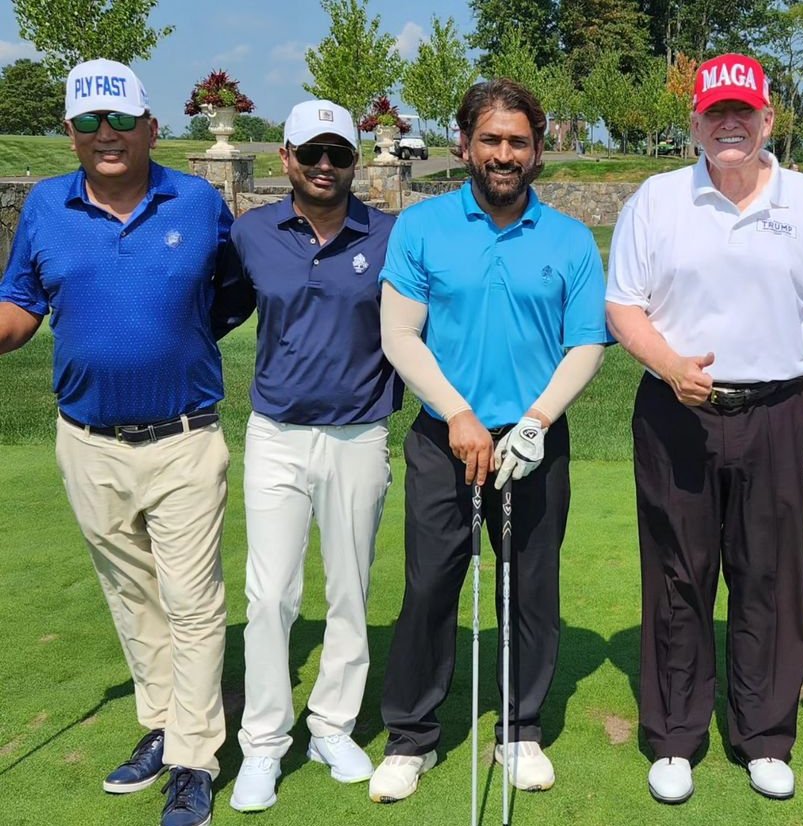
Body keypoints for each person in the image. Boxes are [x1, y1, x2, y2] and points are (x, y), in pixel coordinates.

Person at [605, 52, 803, 805]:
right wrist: (670, 363)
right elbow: (624, 307)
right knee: (679, 573)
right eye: (715, 113)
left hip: (780, 411)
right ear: (694, 122)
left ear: (767, 120)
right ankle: (678, 736)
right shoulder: (656, 200)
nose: (729, 125)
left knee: (770, 574)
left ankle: (763, 736)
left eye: (742, 113)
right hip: (675, 414)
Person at [0, 59, 233, 826]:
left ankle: (195, 759)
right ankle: (163, 729)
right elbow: (20, 309)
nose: (108, 136)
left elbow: (234, 292)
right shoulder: (44, 207)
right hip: (87, 441)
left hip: (184, 437)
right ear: (69, 131)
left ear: (150, 127)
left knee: (193, 602)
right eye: (90, 123)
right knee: (134, 599)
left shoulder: (198, 202)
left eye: (121, 121)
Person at [368, 78, 607, 803]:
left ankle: (520, 729)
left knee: (529, 589)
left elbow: (586, 343)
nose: (504, 154)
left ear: (538, 151)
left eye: (519, 142)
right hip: (446, 437)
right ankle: (412, 736)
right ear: (465, 144)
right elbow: (399, 334)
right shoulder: (421, 226)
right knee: (431, 584)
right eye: (491, 140)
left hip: (535, 442)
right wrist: (458, 414)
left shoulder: (568, 239)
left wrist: (534, 423)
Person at [212, 100, 402, 812]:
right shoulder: (252, 232)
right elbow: (217, 310)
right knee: (270, 595)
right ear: (286, 157)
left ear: (355, 162)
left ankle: (332, 725)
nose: (325, 167)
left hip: (360, 433)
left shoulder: (386, 233)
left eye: (339, 155)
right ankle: (264, 742)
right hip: (276, 434)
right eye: (311, 154)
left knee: (350, 589)